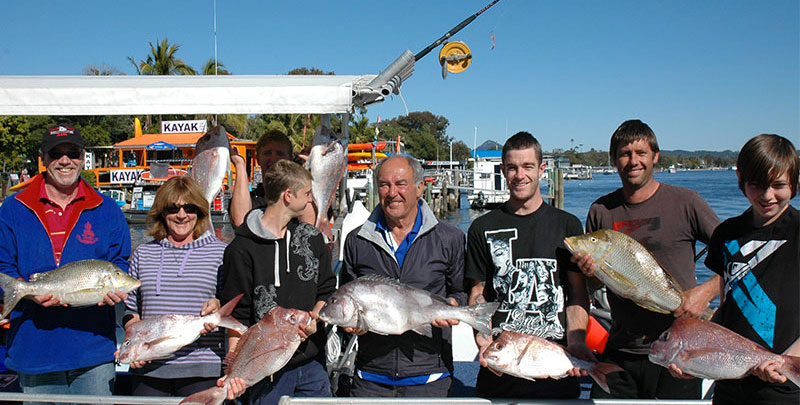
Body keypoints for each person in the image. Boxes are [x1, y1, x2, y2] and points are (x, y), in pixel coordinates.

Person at [571, 119, 721, 399]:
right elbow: (593, 287)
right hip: (621, 349)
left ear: (656, 156)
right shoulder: (601, 210)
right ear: (614, 160)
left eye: (641, 153)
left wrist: (706, 292)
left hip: (679, 351)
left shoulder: (687, 202)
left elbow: (736, 259)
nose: (633, 161)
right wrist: (590, 275)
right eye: (625, 154)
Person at [0, 124, 132, 400]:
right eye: (55, 153)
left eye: (72, 153)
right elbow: (2, 266)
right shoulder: (14, 208)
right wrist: (28, 293)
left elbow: (120, 262)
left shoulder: (107, 208)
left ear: (82, 157)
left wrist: (116, 293)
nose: (65, 160)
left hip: (94, 351)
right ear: (43, 158)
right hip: (34, 348)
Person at [465, 131, 592, 399]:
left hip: (554, 361)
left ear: (542, 170)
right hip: (500, 365)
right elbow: (478, 292)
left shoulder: (568, 225)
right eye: (512, 168)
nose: (519, 175)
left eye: (527, 167)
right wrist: (482, 338)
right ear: (503, 170)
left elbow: (577, 293)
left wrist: (577, 342)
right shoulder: (481, 228)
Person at [674, 134, 798, 404]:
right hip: (731, 388)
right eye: (756, 185)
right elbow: (727, 306)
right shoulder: (727, 234)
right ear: (741, 179)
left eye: (778, 185)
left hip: (786, 389)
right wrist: (695, 358)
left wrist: (789, 362)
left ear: (794, 182)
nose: (767, 196)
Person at [341, 155, 467, 397]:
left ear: (420, 187)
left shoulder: (450, 238)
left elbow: (459, 290)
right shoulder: (356, 241)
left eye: (401, 183)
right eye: (385, 185)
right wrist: (349, 327)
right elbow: (347, 294)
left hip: (431, 375)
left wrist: (455, 306)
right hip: (370, 376)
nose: (392, 192)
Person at [218, 160, 336, 403]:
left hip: (312, 365)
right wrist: (234, 372)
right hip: (265, 373)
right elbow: (236, 315)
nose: (311, 200)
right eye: (307, 194)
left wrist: (315, 317)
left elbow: (326, 288)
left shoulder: (313, 240)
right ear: (288, 196)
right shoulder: (240, 249)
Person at [118, 176, 228, 397]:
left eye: (189, 207)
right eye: (172, 208)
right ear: (161, 212)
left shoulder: (222, 253)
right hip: (150, 371)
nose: (181, 215)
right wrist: (135, 348)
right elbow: (131, 311)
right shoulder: (143, 254)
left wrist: (218, 304)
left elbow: (232, 304)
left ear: (199, 212)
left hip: (202, 369)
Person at [229, 130, 315, 227]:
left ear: (290, 159)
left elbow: (307, 226)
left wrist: (308, 169)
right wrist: (239, 164)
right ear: (258, 158)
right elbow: (240, 222)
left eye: (279, 153)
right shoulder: (249, 200)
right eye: (267, 153)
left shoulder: (299, 198)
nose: (273, 158)